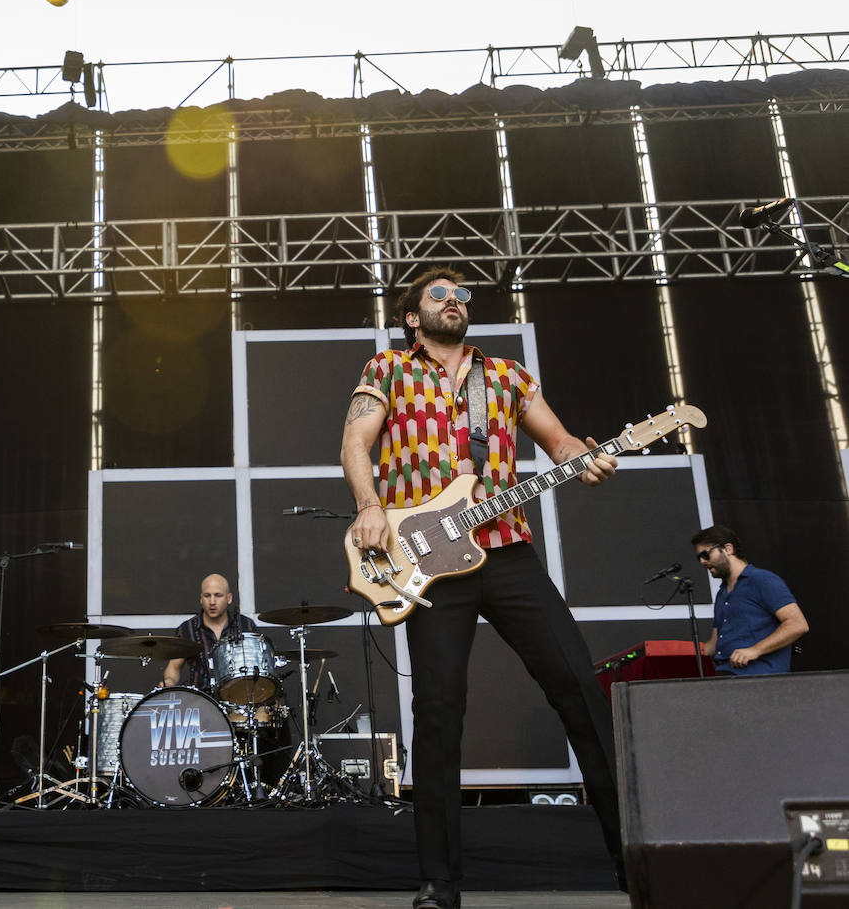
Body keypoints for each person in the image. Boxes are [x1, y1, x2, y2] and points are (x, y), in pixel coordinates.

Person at [339, 266, 624, 909]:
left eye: (460, 293)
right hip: (430, 564)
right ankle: (440, 882)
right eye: (438, 294)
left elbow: (559, 441)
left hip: (506, 549)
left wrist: (590, 455)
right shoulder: (386, 370)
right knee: (439, 716)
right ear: (413, 315)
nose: (453, 300)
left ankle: (634, 857)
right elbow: (355, 441)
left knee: (580, 688)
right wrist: (369, 504)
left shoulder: (507, 376)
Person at [691, 524, 808, 675]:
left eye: (705, 554)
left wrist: (755, 650)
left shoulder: (762, 580)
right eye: (698, 557)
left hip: (759, 677)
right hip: (725, 677)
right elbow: (713, 645)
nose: (702, 561)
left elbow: (798, 625)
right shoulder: (722, 593)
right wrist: (667, 652)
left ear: (728, 549)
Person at [162, 573, 257, 691]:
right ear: (201, 599)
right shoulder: (188, 629)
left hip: (239, 698)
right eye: (207, 596)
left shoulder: (245, 625)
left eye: (218, 595)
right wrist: (169, 681)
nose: (212, 601)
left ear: (229, 598)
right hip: (201, 702)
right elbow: (174, 667)